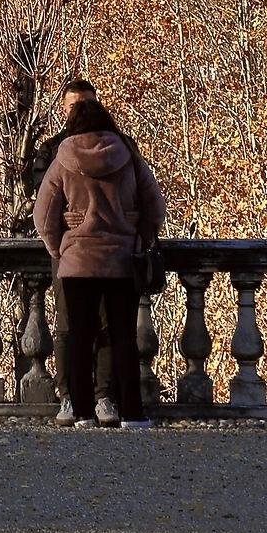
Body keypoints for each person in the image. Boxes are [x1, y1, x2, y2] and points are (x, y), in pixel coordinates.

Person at [33, 80, 165, 428]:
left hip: (76, 260)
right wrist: (140, 236)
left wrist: (58, 246)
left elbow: (43, 213)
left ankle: (80, 412)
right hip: (120, 258)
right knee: (122, 336)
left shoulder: (62, 156)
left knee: (77, 335)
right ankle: (131, 412)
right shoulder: (127, 152)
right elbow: (154, 204)